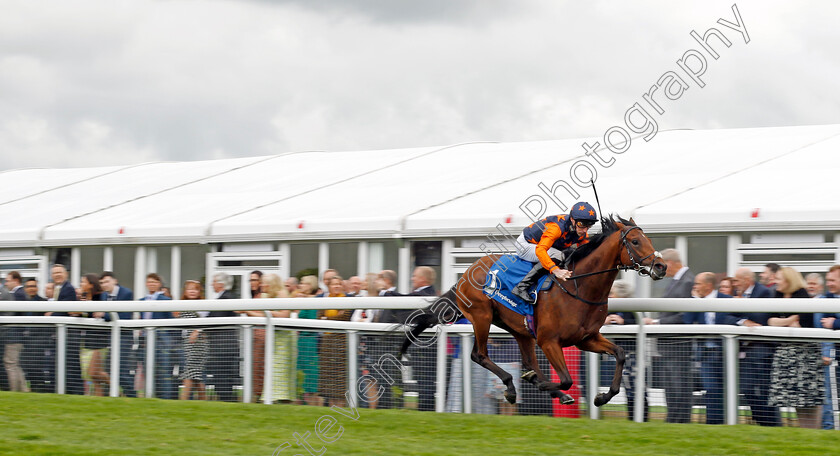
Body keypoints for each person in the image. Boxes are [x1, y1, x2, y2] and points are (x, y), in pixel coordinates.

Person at [643, 248, 695, 424]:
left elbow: (685, 315)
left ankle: (679, 420)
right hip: (670, 343)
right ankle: (674, 419)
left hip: (677, 343)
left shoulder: (688, 281)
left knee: (678, 384)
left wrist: (657, 324)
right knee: (672, 384)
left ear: (670, 263)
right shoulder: (680, 280)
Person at [768, 267, 824, 429]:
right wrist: (789, 319)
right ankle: (804, 432)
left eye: (778, 278)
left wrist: (782, 321)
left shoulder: (802, 295)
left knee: (809, 399)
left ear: (788, 280)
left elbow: (801, 324)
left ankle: (814, 431)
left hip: (805, 355)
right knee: (794, 399)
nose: (775, 282)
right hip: (785, 354)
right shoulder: (777, 295)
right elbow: (770, 321)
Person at [511, 202, 597, 304]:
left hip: (545, 246)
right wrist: (555, 270)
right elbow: (540, 250)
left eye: (589, 226)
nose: (584, 230)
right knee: (558, 255)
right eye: (582, 225)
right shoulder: (556, 228)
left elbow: (587, 253)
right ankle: (522, 287)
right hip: (525, 245)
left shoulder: (581, 232)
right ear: (572, 220)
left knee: (570, 254)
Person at [730, 267, 779, 426]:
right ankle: (762, 421)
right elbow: (726, 315)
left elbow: (760, 318)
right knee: (746, 388)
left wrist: (740, 309)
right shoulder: (739, 295)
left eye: (737, 280)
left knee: (765, 391)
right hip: (747, 351)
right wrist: (743, 320)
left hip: (763, 350)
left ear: (746, 280)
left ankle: (771, 424)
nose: (734, 283)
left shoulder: (763, 292)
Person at [683, 272, 734, 425]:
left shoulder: (727, 300)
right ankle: (713, 423)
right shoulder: (696, 301)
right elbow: (687, 321)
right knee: (710, 389)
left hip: (726, 352)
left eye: (698, 283)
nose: (695, 286)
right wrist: (695, 301)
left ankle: (728, 421)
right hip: (706, 353)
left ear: (708, 285)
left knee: (726, 389)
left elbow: (735, 319)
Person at [604, 280, 648, 421]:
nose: (609, 296)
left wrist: (623, 322)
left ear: (621, 295)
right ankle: (632, 418)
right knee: (628, 388)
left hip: (635, 355)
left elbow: (639, 324)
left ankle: (641, 418)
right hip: (623, 355)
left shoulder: (632, 308)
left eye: (612, 293)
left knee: (637, 388)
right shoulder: (612, 309)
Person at [138, 273, 177, 400]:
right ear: (146, 284)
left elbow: (172, 321)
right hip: (145, 341)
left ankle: (165, 398)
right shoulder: (141, 302)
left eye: (154, 282)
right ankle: (151, 396)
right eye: (149, 282)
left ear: (159, 284)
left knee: (163, 372)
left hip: (162, 342)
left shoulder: (166, 300)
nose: (151, 284)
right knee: (148, 371)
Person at [100, 271, 135, 397]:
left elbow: (124, 316)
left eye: (107, 281)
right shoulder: (104, 295)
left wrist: (104, 315)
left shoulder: (126, 293)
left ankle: (131, 394)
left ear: (115, 281)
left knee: (121, 369)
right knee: (110, 368)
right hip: (111, 337)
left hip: (124, 337)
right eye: (102, 283)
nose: (104, 285)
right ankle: (122, 394)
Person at [50, 264, 83, 394]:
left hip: (69, 335)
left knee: (71, 366)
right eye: (55, 273)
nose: (57, 275)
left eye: (60, 272)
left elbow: (64, 310)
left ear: (66, 274)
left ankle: (76, 392)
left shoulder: (68, 289)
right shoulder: (57, 288)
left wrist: (50, 314)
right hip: (62, 334)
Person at [319, 275, 352, 407]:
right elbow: (319, 317)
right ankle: (331, 406)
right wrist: (331, 318)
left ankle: (341, 406)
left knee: (340, 379)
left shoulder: (346, 300)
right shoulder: (324, 300)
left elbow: (344, 317)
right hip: (327, 344)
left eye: (339, 284)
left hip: (341, 343)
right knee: (328, 379)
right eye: (334, 284)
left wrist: (327, 320)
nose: (337, 286)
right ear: (329, 286)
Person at [206, 272, 239, 402]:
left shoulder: (226, 298)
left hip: (224, 345)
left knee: (222, 375)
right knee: (222, 375)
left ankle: (225, 399)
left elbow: (216, 319)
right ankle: (225, 398)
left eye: (213, 282)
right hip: (223, 345)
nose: (211, 284)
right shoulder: (225, 297)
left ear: (220, 284)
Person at [20, 279, 53, 393]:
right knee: (28, 366)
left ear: (37, 288)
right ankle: (33, 388)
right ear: (25, 289)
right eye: (29, 286)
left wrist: (44, 340)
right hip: (26, 341)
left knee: (37, 367)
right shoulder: (22, 302)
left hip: (39, 341)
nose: (31, 288)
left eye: (33, 286)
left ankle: (40, 389)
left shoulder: (43, 302)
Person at [176, 280, 207, 400]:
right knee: (195, 374)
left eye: (195, 289)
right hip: (187, 343)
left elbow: (205, 321)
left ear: (199, 292)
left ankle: (183, 400)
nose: (192, 291)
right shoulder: (182, 305)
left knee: (191, 372)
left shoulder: (202, 305)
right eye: (190, 289)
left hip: (198, 344)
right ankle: (203, 400)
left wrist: (197, 331)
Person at [818, 266, 840, 430]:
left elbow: (830, 324)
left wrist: (835, 323)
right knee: (830, 394)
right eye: (828, 280)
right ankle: (828, 428)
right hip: (834, 354)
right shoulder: (825, 298)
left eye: (832, 280)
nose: (829, 284)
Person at [79, 273, 108, 396]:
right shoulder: (84, 297)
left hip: (100, 339)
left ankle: (116, 390)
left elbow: (103, 313)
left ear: (91, 284)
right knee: (95, 377)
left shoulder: (100, 296)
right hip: (89, 339)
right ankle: (98, 399)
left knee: (93, 372)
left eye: (83, 282)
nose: (81, 284)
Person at [296, 275, 321, 406]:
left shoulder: (315, 300)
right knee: (302, 373)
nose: (300, 286)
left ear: (310, 285)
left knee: (311, 373)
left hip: (311, 340)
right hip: (302, 340)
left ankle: (313, 403)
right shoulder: (302, 298)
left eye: (303, 283)